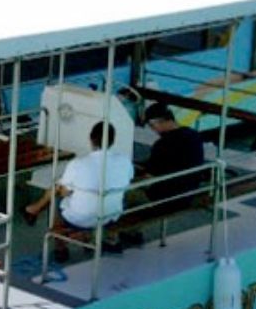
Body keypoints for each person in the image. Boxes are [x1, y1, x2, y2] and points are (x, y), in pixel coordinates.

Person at [24, 121, 132, 255]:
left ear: (91, 139)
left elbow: (64, 192)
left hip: (81, 218)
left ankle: (60, 248)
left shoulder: (78, 164)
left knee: (58, 198)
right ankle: (98, 239)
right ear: (113, 140)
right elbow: (127, 181)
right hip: (110, 215)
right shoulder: (124, 161)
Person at [140, 103, 208, 216]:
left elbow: (149, 177)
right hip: (189, 192)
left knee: (125, 194)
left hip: (166, 198)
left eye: (152, 126)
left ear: (160, 121)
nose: (153, 130)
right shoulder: (194, 135)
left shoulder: (162, 145)